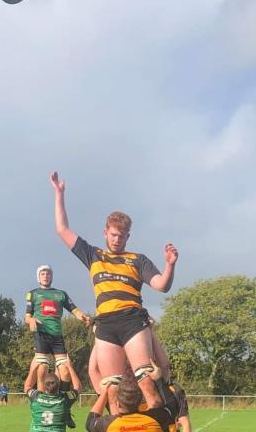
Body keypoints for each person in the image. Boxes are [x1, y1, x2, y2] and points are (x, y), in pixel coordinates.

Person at [50, 171, 178, 412]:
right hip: (106, 324)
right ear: (105, 233)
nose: (117, 239)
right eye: (113, 234)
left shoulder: (137, 260)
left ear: (128, 236)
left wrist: (170, 264)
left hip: (132, 320)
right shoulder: (93, 254)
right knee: (111, 389)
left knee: (146, 380)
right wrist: (59, 194)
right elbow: (62, 229)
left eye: (122, 235)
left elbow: (162, 285)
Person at [25, 264, 90, 389]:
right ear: (38, 277)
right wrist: (31, 320)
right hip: (42, 334)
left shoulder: (61, 294)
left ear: (52, 277)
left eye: (48, 274)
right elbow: (27, 316)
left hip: (57, 337)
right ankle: (41, 399)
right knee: (42, 368)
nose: (45, 276)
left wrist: (84, 317)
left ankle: (62, 400)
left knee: (65, 371)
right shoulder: (32, 294)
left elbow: (75, 310)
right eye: (42, 274)